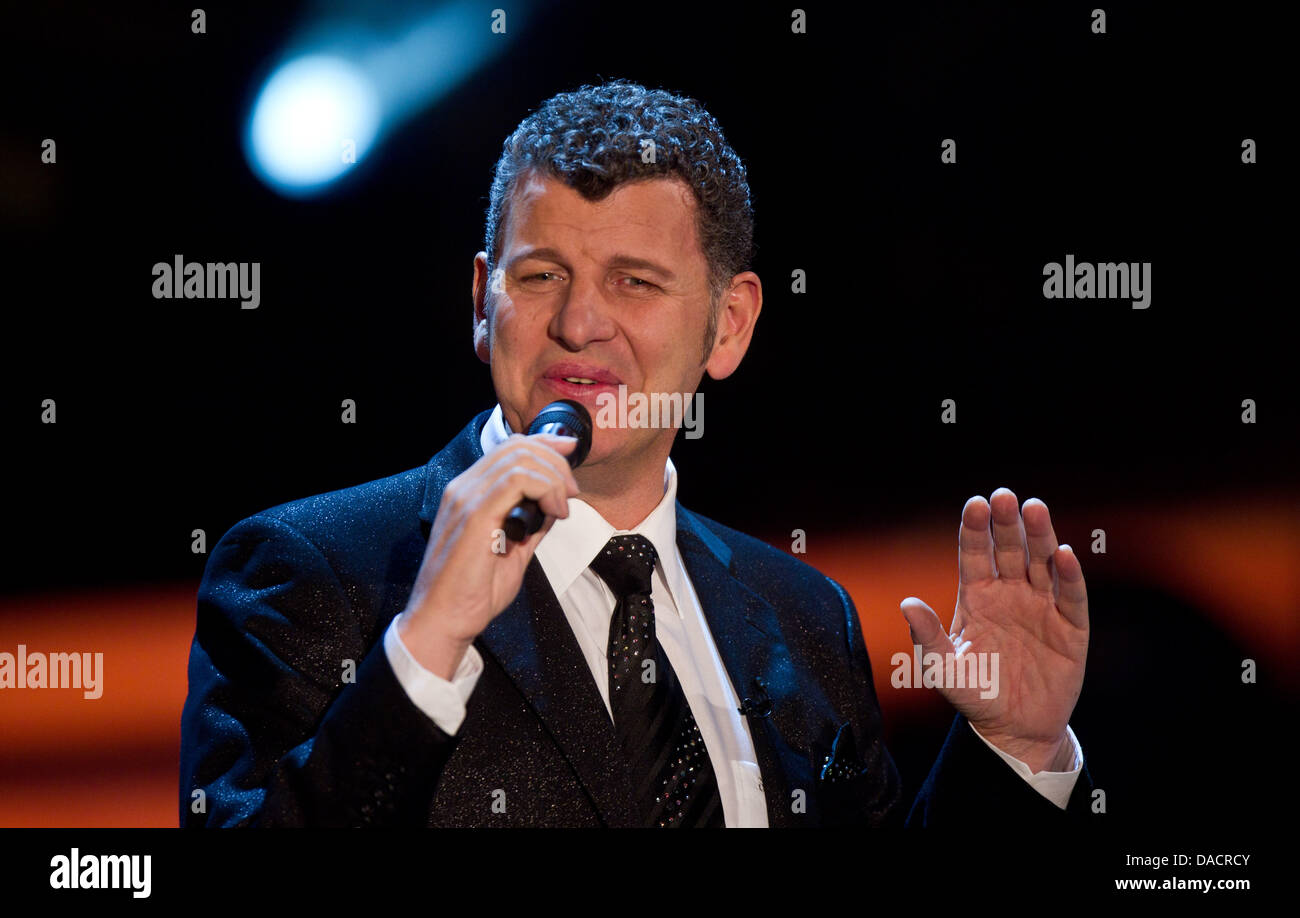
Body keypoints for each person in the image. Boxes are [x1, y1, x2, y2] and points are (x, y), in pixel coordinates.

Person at [180, 79, 1092, 827]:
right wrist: (422, 648)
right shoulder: (318, 570)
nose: (580, 324)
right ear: (480, 301)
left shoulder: (805, 616)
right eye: (542, 276)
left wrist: (1013, 755)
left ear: (727, 326)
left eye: (634, 282)